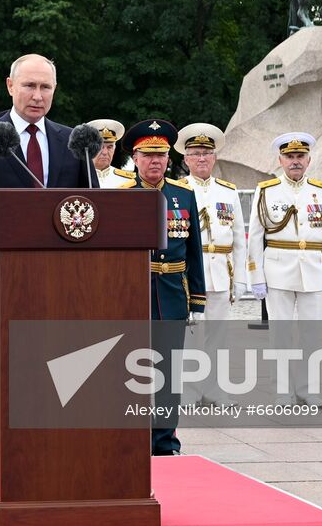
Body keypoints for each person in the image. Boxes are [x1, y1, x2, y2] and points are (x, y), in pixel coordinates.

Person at [120, 119, 206, 455]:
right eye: (148, 155)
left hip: (172, 295)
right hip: (135, 295)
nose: (156, 161)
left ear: (169, 158)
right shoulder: (124, 199)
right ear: (136, 159)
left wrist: (196, 302)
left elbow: (195, 251)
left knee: (168, 375)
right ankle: (134, 439)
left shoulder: (183, 195)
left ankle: (164, 441)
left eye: (162, 155)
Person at [245, 133, 322, 407]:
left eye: (300, 157)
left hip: (312, 269)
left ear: (309, 160)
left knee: (311, 334)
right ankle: (282, 392)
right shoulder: (266, 190)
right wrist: (255, 275)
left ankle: (308, 390)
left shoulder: (321, 191)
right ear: (280, 160)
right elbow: (255, 236)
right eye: (290, 157)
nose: (295, 162)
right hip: (277, 269)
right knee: (280, 335)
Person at [0, 54, 90, 213]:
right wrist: (3, 208)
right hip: (3, 236)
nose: (38, 96)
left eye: (45, 87)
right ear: (10, 86)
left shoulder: (75, 140)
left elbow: (94, 201)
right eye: (30, 86)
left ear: (55, 88)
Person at [175, 122, 243, 406]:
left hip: (220, 272)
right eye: (195, 153)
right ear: (185, 159)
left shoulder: (228, 192)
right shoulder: (177, 190)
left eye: (206, 152)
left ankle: (214, 390)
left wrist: (239, 280)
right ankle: (190, 393)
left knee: (218, 336)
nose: (201, 158)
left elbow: (239, 239)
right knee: (191, 335)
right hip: (191, 273)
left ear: (215, 157)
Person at [88, 119, 133, 188]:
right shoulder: (79, 178)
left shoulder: (128, 180)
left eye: (109, 147)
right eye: (100, 147)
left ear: (114, 149)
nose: (105, 152)